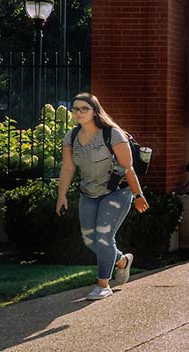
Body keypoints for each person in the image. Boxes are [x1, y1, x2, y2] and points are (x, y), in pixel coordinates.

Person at [56, 93, 150, 300]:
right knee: (90, 240)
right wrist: (61, 195)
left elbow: (128, 168)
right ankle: (122, 261)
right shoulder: (71, 137)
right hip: (89, 193)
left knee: (104, 237)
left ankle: (102, 285)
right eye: (75, 109)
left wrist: (138, 195)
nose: (78, 113)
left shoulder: (113, 134)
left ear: (94, 111)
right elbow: (68, 167)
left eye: (84, 109)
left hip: (116, 192)